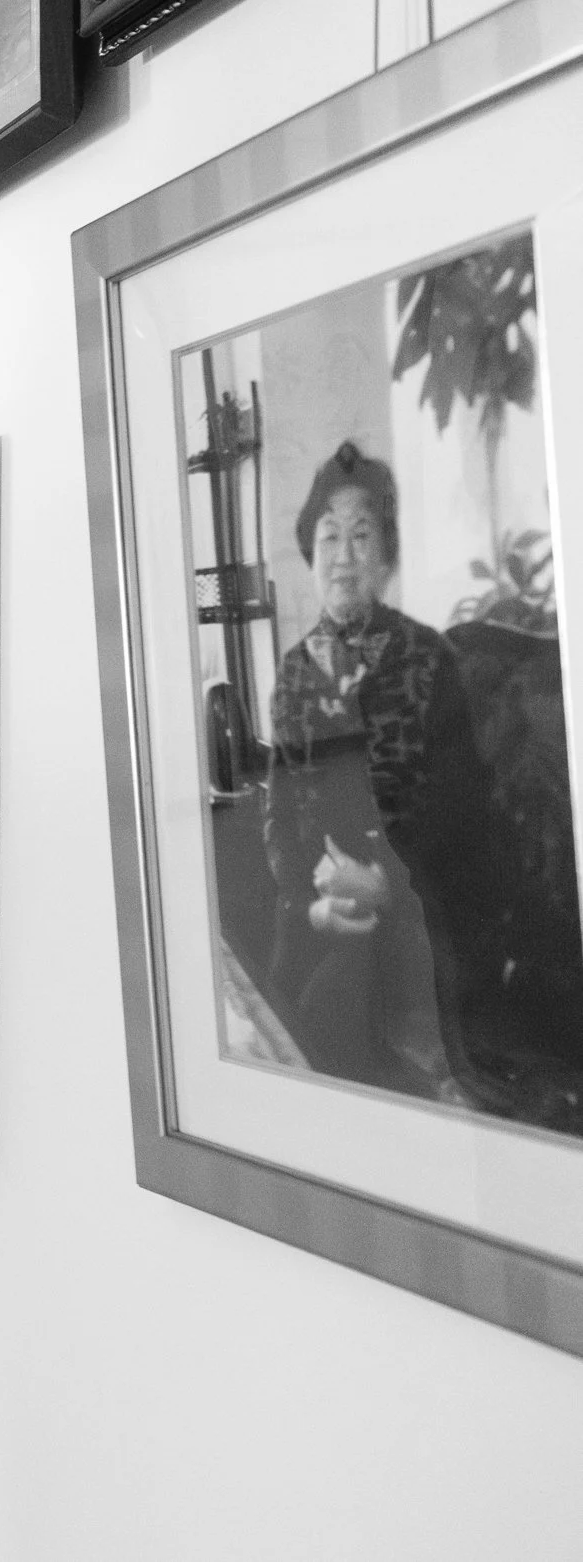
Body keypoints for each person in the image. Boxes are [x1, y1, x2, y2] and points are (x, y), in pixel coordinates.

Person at [261, 442, 485, 1100]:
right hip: (316, 918)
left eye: (362, 535)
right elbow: (279, 816)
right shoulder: (297, 671)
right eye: (329, 536)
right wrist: (313, 905)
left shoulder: (429, 659)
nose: (344, 555)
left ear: (385, 553)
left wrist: (384, 882)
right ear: (312, 553)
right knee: (288, 1034)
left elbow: (460, 812)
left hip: (416, 920)